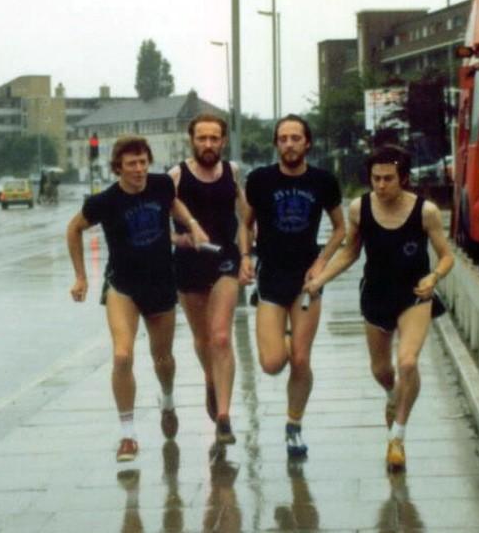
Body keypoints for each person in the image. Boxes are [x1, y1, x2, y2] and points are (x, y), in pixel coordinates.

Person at [303, 144, 454, 471]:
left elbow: (447, 255)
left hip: (415, 294)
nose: (381, 185)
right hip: (376, 294)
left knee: (408, 362)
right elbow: (350, 252)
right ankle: (391, 395)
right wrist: (320, 279)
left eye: (388, 178)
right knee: (382, 371)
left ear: (403, 178)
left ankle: (397, 438)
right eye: (376, 178)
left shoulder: (425, 212)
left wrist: (435, 277)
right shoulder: (360, 209)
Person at [66, 135, 208, 462]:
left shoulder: (160, 185)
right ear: (118, 168)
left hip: (160, 284)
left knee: (164, 360)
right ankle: (128, 435)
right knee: (122, 356)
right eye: (132, 164)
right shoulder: (104, 201)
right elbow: (73, 229)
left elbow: (175, 204)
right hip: (123, 287)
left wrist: (193, 225)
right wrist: (81, 276)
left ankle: (168, 400)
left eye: (143, 162)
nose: (140, 169)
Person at [241, 114, 345, 459]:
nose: (289, 144)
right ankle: (284, 336)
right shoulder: (260, 180)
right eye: (283, 138)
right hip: (271, 278)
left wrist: (321, 262)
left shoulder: (323, 181)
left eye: (295, 138)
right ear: (276, 143)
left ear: (307, 142)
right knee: (272, 364)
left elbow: (341, 230)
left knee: (301, 359)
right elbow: (246, 224)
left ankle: (294, 426)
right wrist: (245, 256)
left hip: (306, 281)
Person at [168, 114, 251, 445]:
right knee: (203, 340)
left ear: (223, 140)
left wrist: (247, 256)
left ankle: (224, 417)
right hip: (189, 264)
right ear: (191, 140)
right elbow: (158, 223)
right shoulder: (177, 176)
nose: (208, 144)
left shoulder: (231, 172)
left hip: (225, 260)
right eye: (201, 138)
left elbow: (246, 218)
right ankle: (210, 378)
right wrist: (180, 239)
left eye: (214, 138)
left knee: (220, 337)